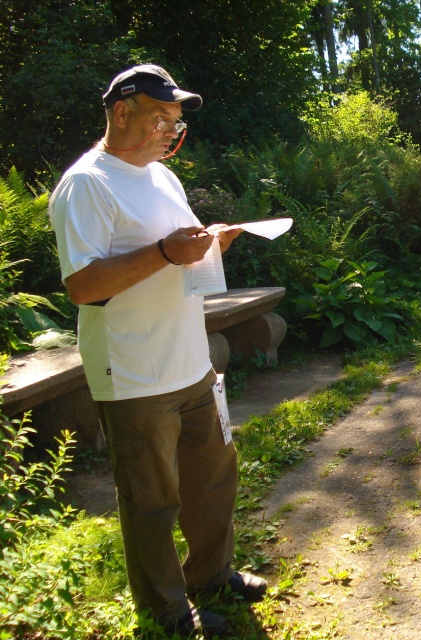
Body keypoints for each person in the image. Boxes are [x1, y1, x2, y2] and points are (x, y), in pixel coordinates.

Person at [49, 65, 265, 638]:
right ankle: (166, 609)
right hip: (133, 372)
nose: (172, 131)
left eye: (176, 122)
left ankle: (211, 574)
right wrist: (166, 253)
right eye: (161, 118)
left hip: (191, 361)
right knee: (151, 499)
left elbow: (182, 251)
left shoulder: (163, 177)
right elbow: (83, 285)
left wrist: (211, 242)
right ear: (122, 112)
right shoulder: (86, 184)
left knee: (213, 476)